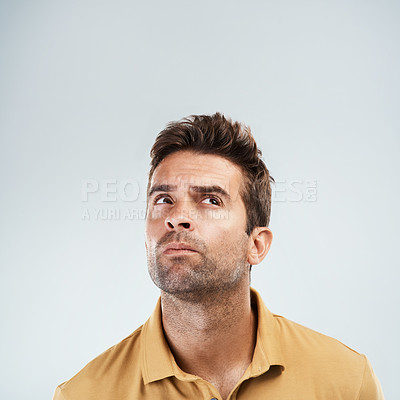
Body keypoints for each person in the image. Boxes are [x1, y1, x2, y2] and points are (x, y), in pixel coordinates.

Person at [53, 113, 384, 400]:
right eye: (163, 199)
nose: (176, 216)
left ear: (256, 244)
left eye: (210, 200)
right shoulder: (83, 393)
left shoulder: (347, 382)